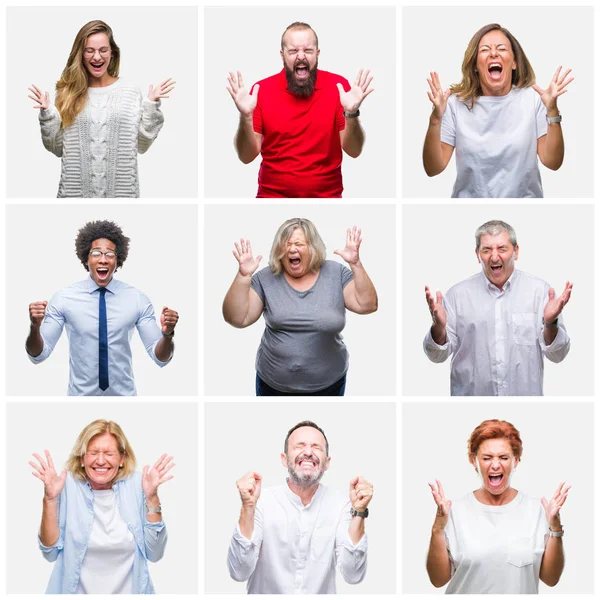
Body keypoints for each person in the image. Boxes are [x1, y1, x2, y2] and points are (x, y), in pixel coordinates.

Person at [222, 218, 378, 395]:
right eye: (286, 244)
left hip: (330, 383)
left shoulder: (337, 273)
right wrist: (243, 276)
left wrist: (355, 264)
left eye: (298, 243)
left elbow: (367, 305)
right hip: (272, 384)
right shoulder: (264, 278)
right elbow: (237, 318)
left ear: (313, 247)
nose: (291, 249)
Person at [26, 219, 179, 395]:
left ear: (118, 259)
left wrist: (168, 335)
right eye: (96, 253)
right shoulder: (64, 298)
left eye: (110, 254)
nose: (103, 260)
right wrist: (35, 327)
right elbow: (38, 355)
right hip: (79, 399)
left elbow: (160, 357)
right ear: (86, 258)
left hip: (125, 398)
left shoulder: (137, 299)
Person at [423, 23, 574, 197]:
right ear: (474, 64)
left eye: (501, 48)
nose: (494, 53)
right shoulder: (454, 104)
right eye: (485, 50)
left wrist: (552, 111)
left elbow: (553, 162)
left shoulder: (533, 99)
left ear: (515, 62)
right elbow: (433, 168)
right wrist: (435, 121)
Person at [28, 20, 175, 198]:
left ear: (112, 53)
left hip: (122, 196)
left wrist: (151, 106)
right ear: (80, 54)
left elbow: (142, 145)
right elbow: (57, 148)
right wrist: (48, 115)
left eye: (103, 50)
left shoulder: (129, 92)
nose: (97, 57)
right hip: (74, 197)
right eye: (89, 50)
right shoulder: (67, 93)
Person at [226, 21, 374, 198]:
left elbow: (354, 151)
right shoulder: (262, 90)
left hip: (327, 199)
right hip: (272, 198)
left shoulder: (338, 87)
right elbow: (246, 156)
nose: (301, 56)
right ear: (282, 55)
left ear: (317, 54)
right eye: (293, 51)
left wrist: (351, 114)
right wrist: (245, 116)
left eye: (308, 50)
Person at [423, 220, 571, 395]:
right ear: (477, 254)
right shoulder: (457, 295)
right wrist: (438, 327)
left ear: (515, 252)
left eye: (502, 249)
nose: (494, 257)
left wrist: (551, 323)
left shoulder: (539, 292)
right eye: (486, 250)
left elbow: (558, 355)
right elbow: (436, 356)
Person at [29, 419, 174, 594]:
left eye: (109, 453)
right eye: (93, 453)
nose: (100, 460)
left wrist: (152, 497)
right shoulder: (66, 485)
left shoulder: (139, 484)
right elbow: (49, 553)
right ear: (82, 458)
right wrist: (50, 499)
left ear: (122, 458)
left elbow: (155, 553)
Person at [227, 420, 373, 593]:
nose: (308, 452)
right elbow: (239, 572)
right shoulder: (262, 501)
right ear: (284, 459)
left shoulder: (341, 504)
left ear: (327, 462)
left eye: (316, 447)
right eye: (299, 445)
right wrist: (248, 507)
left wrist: (359, 512)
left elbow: (353, 575)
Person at [426, 419, 570, 593]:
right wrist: (437, 529)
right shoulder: (454, 512)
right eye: (486, 458)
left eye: (503, 457)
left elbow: (551, 578)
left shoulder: (538, 511)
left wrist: (555, 528)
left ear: (516, 461)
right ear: (474, 461)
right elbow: (438, 580)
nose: (495, 465)